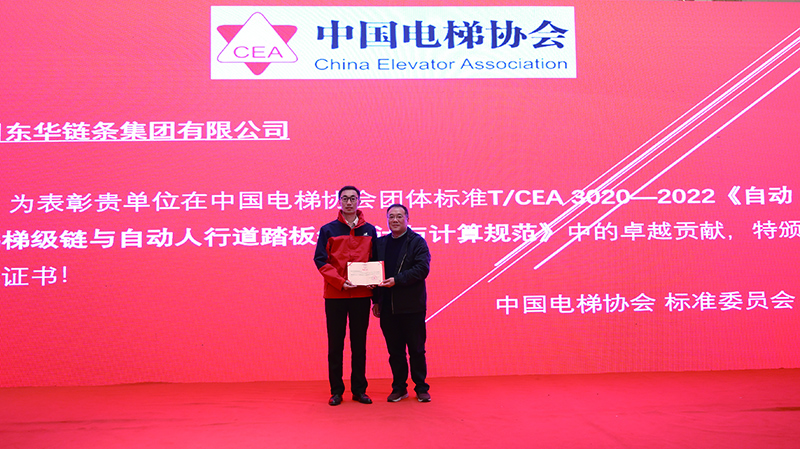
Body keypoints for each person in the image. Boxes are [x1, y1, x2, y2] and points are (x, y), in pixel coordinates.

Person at [314, 186, 377, 406]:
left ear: (359, 201)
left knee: (359, 344)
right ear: (339, 201)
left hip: (361, 294)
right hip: (335, 295)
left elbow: (374, 261)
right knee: (336, 344)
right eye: (345, 198)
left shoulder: (370, 230)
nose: (349, 202)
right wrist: (340, 282)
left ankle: (359, 390)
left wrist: (374, 282)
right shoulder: (328, 230)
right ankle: (336, 391)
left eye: (353, 198)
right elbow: (321, 260)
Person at [372, 204, 432, 402]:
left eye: (399, 216)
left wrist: (397, 280)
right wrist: (376, 300)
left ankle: (421, 387)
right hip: (387, 306)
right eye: (391, 217)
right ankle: (399, 387)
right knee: (395, 351)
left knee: (416, 349)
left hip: (412, 306)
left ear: (407, 219)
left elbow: (422, 269)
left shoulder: (417, 242)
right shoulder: (380, 243)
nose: (395, 220)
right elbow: (373, 272)